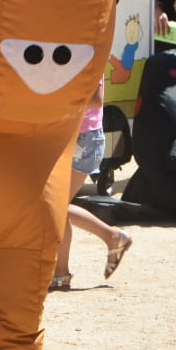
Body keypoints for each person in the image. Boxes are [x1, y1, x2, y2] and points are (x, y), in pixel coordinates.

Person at [49, 76, 133, 292]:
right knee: (55, 206)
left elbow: (96, 100)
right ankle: (61, 273)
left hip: (82, 138)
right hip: (68, 135)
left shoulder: (89, 57)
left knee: (55, 205)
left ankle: (111, 237)